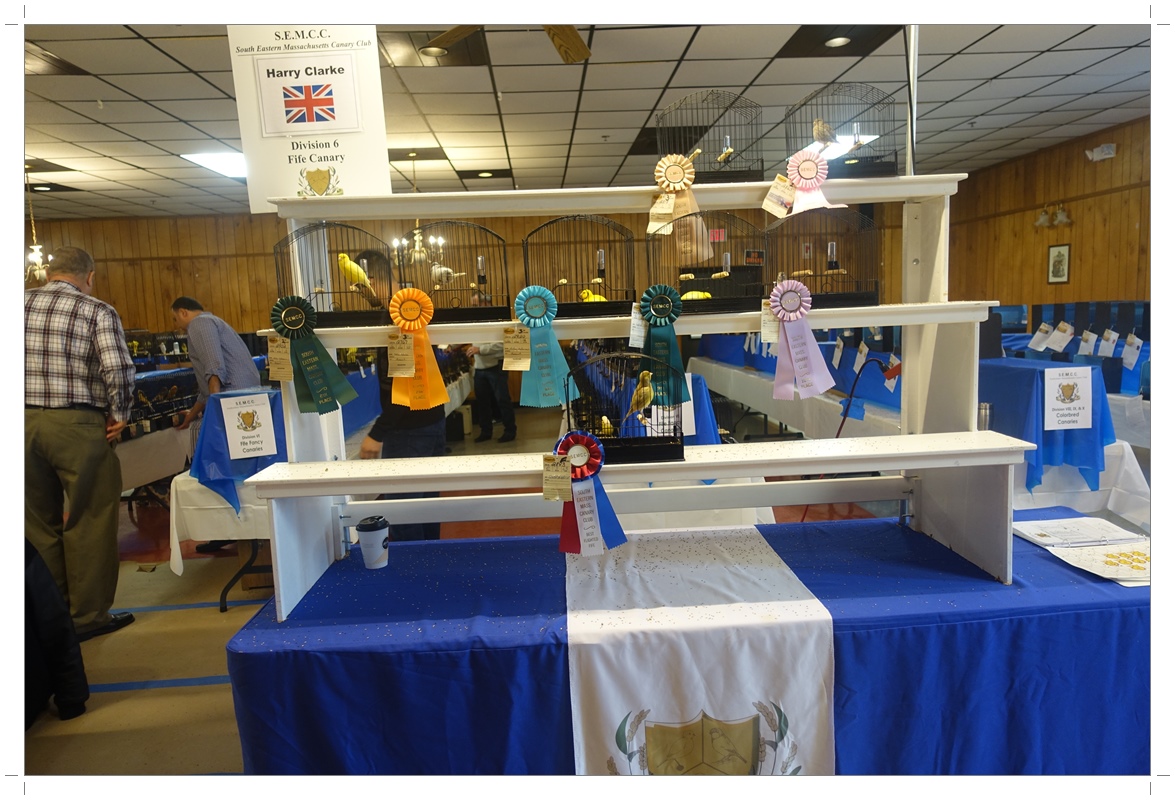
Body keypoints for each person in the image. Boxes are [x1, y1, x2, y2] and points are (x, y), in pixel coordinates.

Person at [25, 245, 137, 642]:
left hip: (20, 424)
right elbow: (118, 367)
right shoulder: (96, 310)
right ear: (89, 277)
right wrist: (120, 413)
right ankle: (87, 617)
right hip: (77, 423)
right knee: (91, 519)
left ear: (47, 273)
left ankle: (48, 615)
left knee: (36, 525)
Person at [357, 252, 446, 541]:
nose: (358, 293)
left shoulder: (399, 316)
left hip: (409, 428)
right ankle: (430, 561)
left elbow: (402, 382)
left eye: (358, 285)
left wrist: (377, 433)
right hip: (432, 419)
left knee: (404, 513)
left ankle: (414, 568)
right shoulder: (410, 310)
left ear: (370, 280)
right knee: (427, 507)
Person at [170, 296, 262, 552]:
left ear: (184, 312)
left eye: (175, 318)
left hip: (232, 402)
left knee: (221, 467)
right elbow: (206, 386)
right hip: (243, 400)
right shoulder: (215, 322)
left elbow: (214, 366)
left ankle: (228, 528)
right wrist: (192, 415)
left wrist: (216, 406)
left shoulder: (199, 324)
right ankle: (239, 527)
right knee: (240, 469)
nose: (177, 325)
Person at [466, 290, 516, 443]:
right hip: (480, 367)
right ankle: (486, 431)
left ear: (486, 303)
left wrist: (480, 350)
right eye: (473, 305)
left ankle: (510, 430)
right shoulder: (474, 321)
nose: (474, 308)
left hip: (496, 366)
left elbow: (503, 345)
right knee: (482, 402)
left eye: (476, 305)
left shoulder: (498, 321)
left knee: (502, 400)